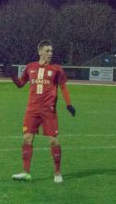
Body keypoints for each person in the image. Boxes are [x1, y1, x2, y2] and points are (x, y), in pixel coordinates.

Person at [10, 39, 76, 183]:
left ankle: (57, 173)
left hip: (48, 110)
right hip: (32, 109)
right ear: (40, 52)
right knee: (27, 138)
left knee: (53, 140)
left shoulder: (56, 69)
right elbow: (20, 84)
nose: (50, 53)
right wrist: (13, 76)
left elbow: (64, 87)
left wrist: (69, 104)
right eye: (47, 51)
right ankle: (26, 172)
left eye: (51, 51)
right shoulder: (30, 67)